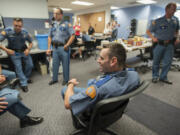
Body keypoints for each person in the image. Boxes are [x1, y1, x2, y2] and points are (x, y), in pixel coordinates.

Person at [61, 43, 140, 118]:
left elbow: (67, 104)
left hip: (96, 108)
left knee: (65, 89)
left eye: (101, 58)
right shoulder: (135, 75)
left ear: (113, 61)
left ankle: (81, 117)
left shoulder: (98, 88)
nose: (98, 61)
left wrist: (71, 83)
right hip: (112, 108)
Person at [146, 2, 179, 84]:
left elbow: (176, 30)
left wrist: (177, 37)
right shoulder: (157, 21)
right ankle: (155, 76)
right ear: (166, 9)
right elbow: (148, 31)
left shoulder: (175, 20)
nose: (174, 11)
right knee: (156, 61)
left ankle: (163, 77)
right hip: (159, 45)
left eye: (175, 9)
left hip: (170, 45)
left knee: (168, 62)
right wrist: (153, 38)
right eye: (172, 9)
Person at [0, 18, 34, 92]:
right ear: (13, 24)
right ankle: (23, 83)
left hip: (24, 51)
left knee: (30, 65)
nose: (18, 28)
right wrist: (6, 50)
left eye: (20, 26)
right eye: (16, 26)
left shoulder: (25, 32)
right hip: (14, 53)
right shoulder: (8, 31)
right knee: (19, 68)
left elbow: (31, 42)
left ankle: (26, 78)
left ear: (22, 25)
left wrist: (28, 49)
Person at [46, 8, 75, 86]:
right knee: (55, 65)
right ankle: (54, 79)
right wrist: (49, 48)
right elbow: (49, 37)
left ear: (61, 15)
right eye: (54, 13)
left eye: (57, 13)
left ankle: (66, 79)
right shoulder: (52, 24)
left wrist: (68, 44)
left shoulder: (67, 24)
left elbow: (73, 35)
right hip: (55, 48)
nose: (55, 15)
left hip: (64, 48)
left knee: (65, 64)